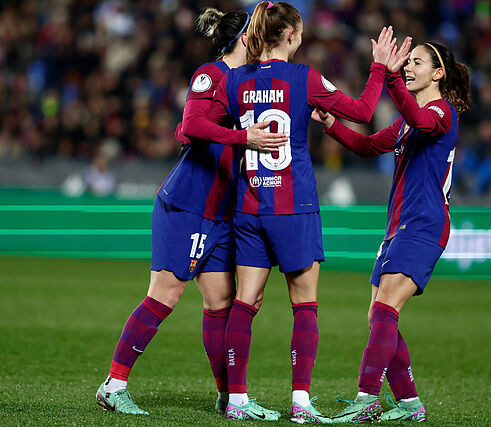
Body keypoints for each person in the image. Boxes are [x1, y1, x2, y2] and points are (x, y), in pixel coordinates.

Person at [196, 1, 398, 422]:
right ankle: (301, 403)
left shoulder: (234, 81)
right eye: (301, 31)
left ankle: (236, 400)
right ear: (290, 35)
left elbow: (203, 126)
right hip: (294, 206)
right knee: (304, 305)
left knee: (245, 303)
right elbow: (361, 112)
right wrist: (379, 68)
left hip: (249, 206)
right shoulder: (303, 78)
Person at [95, 8, 287, 415]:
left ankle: (228, 396)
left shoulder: (251, 84)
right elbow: (191, 125)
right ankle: (114, 383)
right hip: (187, 204)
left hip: (220, 210)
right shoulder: (212, 74)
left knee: (221, 302)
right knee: (165, 292)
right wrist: (241, 138)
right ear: (243, 39)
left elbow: (189, 130)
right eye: (256, 33)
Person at [313, 38, 471, 422]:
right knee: (379, 314)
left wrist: (387, 73)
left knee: (385, 309)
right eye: (407, 61)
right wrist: (332, 124)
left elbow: (420, 120)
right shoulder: (405, 121)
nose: (409, 67)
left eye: (416, 62)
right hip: (398, 226)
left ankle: (367, 399)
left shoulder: (442, 112)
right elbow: (367, 146)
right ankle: (409, 403)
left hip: (424, 223)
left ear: (438, 74)